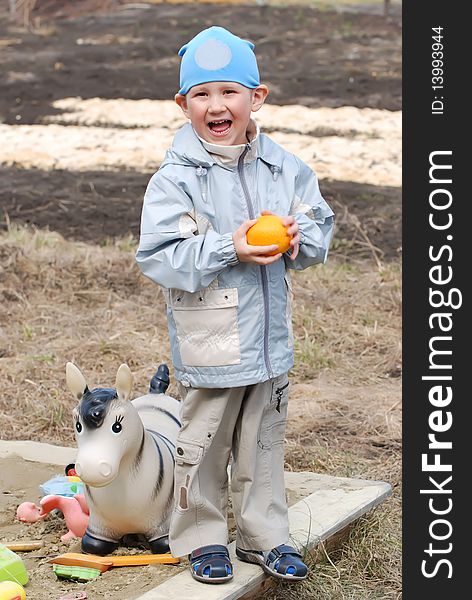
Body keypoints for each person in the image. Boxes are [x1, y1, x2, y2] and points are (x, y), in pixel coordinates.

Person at [135, 26, 334, 584]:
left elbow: (319, 226)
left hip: (269, 339)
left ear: (257, 98)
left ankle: (264, 535)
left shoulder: (284, 168)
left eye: (229, 92)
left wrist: (297, 240)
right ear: (183, 104)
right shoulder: (177, 180)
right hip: (212, 337)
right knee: (203, 441)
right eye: (201, 94)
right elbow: (160, 256)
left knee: (262, 443)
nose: (216, 106)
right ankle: (202, 535)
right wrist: (231, 245)